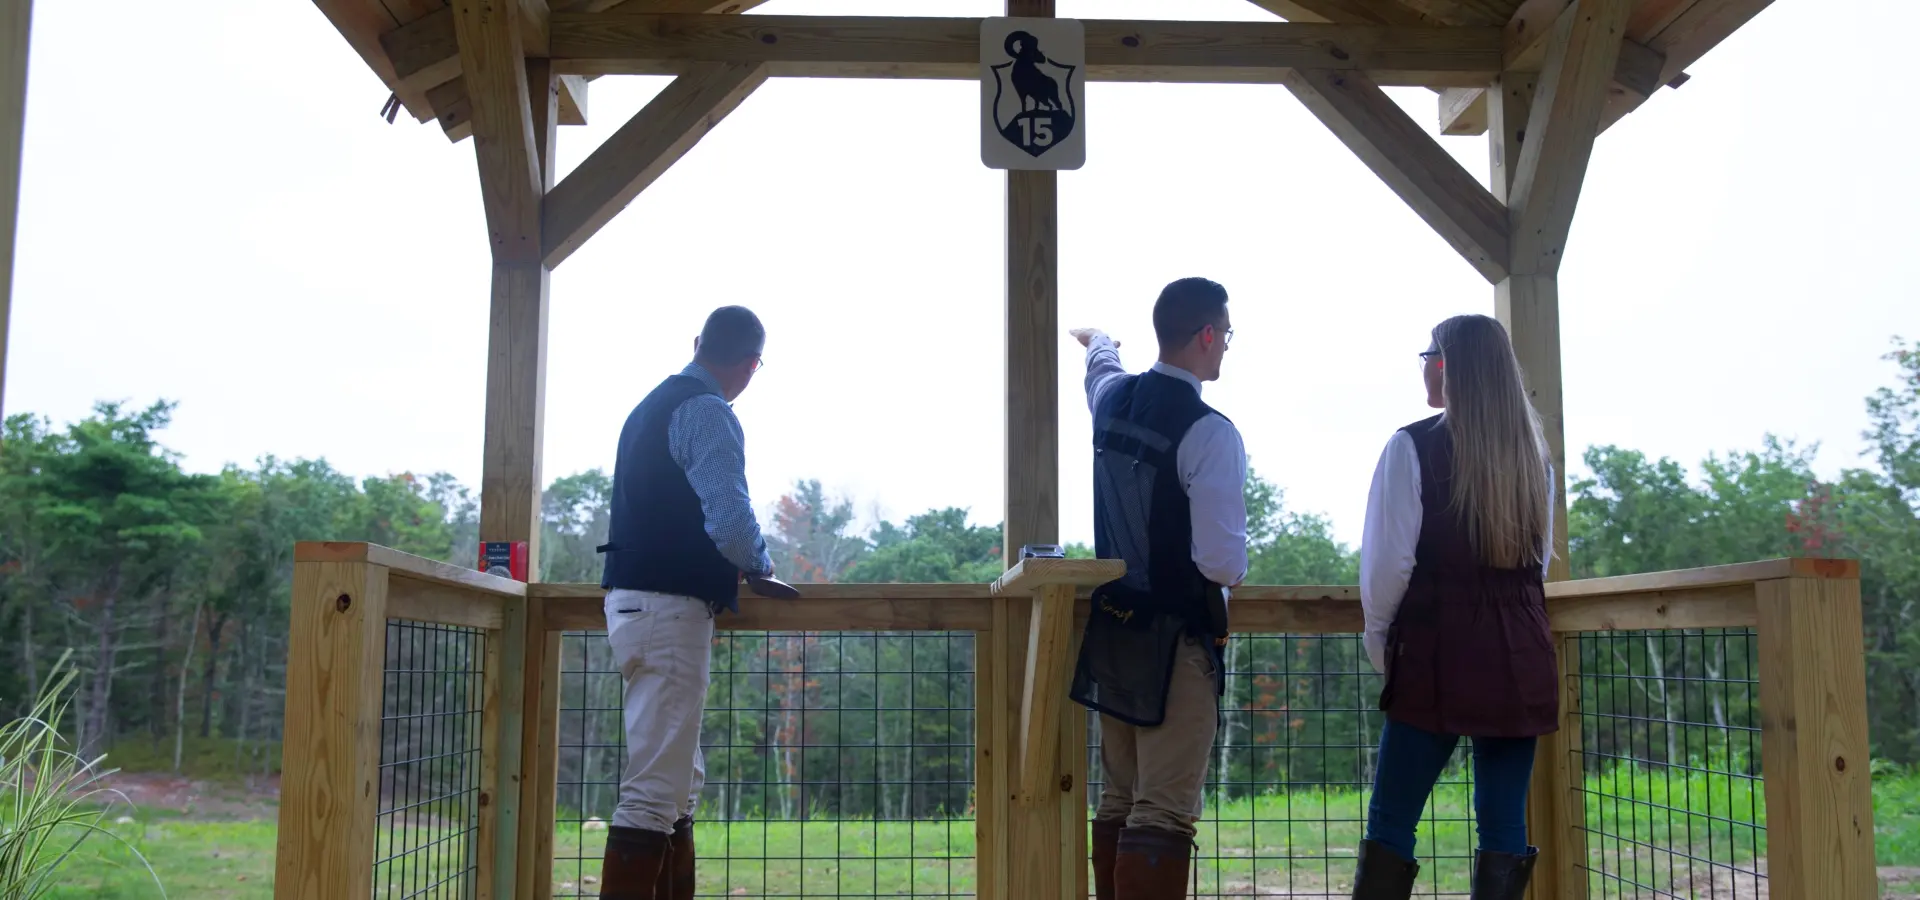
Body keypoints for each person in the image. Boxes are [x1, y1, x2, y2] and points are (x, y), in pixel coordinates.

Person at [1353, 314, 1559, 900]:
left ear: (1444, 365)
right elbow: (1536, 567)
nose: (1422, 366)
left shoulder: (1412, 446)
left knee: (1393, 818)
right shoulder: (1533, 460)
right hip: (1519, 652)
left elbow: (1388, 566)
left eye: (1425, 355)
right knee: (1503, 824)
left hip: (1435, 652)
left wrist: (1381, 646)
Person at [595, 305, 796, 900]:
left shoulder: (650, 407)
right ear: (752, 364)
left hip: (634, 605)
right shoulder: (707, 412)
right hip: (668, 609)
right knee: (655, 791)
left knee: (678, 782)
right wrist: (760, 565)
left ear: (697, 343)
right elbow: (731, 522)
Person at [1069, 276, 1249, 900]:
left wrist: (1098, 340)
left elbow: (1101, 368)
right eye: (1225, 334)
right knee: (1163, 813)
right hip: (1178, 645)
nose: (1226, 345)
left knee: (1120, 800)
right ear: (1206, 335)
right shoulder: (1211, 432)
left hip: (1114, 636)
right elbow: (1222, 562)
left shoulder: (1113, 399)